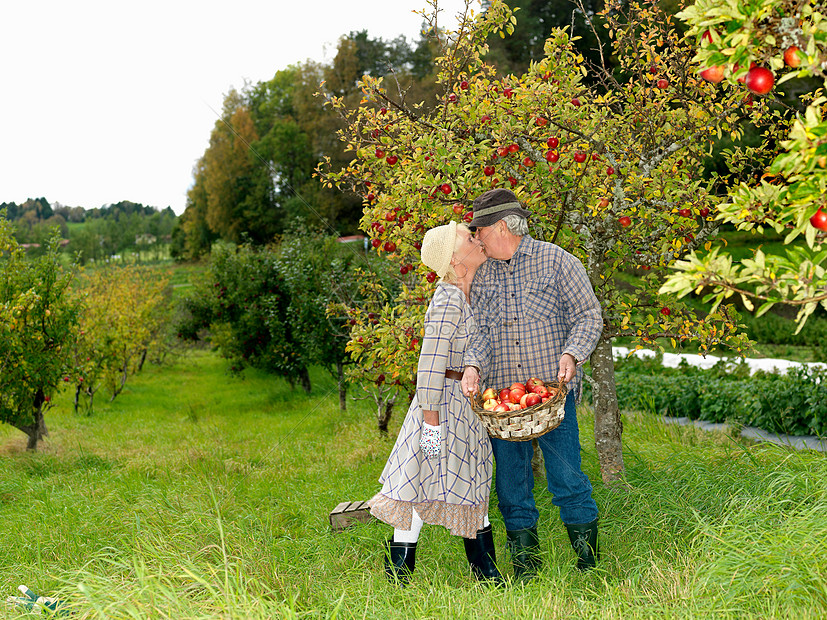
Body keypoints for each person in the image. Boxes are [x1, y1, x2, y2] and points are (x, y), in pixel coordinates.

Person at [460, 188, 603, 578]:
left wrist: (571, 354)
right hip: (503, 407)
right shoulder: (483, 274)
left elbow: (588, 316)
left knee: (568, 480)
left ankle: (588, 564)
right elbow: (479, 335)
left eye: (480, 230)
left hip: (551, 399)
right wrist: (472, 366)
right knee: (510, 490)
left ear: (501, 227)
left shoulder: (557, 262)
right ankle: (526, 568)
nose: (477, 238)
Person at [368, 221, 502, 586]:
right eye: (468, 237)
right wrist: (431, 423)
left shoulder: (472, 292)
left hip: (463, 409)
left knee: (470, 480)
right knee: (419, 481)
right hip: (438, 410)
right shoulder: (448, 297)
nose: (476, 239)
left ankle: (484, 571)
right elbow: (429, 364)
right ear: (456, 259)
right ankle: (399, 575)